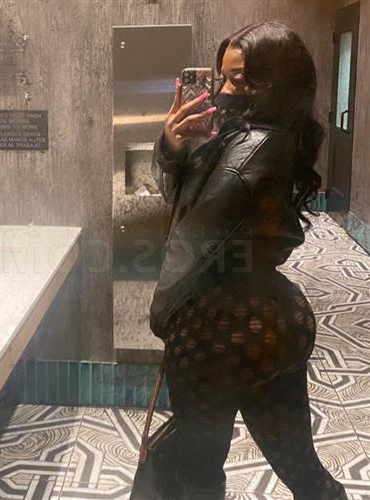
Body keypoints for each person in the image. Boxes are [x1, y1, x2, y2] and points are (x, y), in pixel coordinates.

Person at [148, 21, 348, 500]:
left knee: (199, 471)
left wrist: (161, 314)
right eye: (223, 78)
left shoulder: (248, 148)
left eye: (240, 80)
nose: (226, 91)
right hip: (272, 319)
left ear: (275, 81)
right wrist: (175, 146)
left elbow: (190, 237)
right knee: (299, 463)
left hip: (212, 331)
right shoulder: (271, 136)